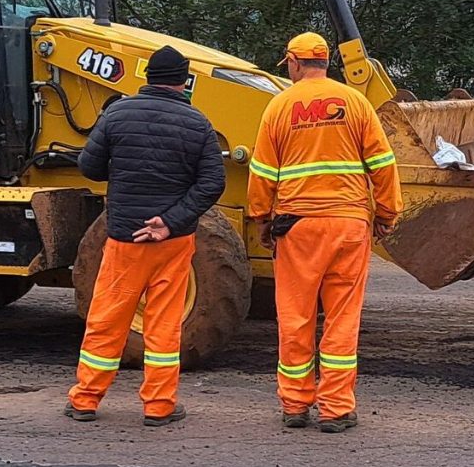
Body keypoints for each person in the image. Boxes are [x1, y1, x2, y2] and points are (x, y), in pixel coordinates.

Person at [246, 32, 401, 434]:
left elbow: (262, 171)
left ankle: (295, 406)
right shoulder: (356, 102)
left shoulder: (279, 106)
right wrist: (386, 214)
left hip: (298, 226)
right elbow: (383, 164)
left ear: (294, 63)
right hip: (349, 224)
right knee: (342, 318)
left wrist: (261, 219)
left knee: (295, 316)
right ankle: (336, 409)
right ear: (326, 62)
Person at [67, 45, 224, 426]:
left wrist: (123, 172)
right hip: (173, 241)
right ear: (184, 81)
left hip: (124, 237)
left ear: (147, 78)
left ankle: (86, 399)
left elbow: (88, 167)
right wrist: (170, 221)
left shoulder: (117, 114)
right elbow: (212, 183)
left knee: (107, 318)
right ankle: (159, 405)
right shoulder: (198, 123)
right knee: (164, 323)